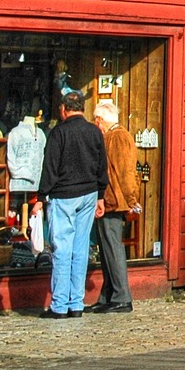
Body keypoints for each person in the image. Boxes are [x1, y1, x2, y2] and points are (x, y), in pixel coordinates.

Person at [38, 90, 106, 320]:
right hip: (89, 193)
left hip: (64, 194)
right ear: (83, 109)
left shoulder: (59, 132)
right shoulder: (94, 132)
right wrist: (101, 195)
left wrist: (41, 196)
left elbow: (50, 167)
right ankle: (76, 303)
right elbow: (101, 165)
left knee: (62, 250)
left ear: (63, 109)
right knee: (80, 249)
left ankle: (59, 306)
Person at [89, 98, 140, 313]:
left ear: (100, 120)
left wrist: (131, 200)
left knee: (113, 248)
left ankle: (121, 296)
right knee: (107, 249)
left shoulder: (117, 137)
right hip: (111, 200)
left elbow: (126, 171)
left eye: (95, 121)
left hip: (115, 201)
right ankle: (109, 295)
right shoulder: (114, 136)